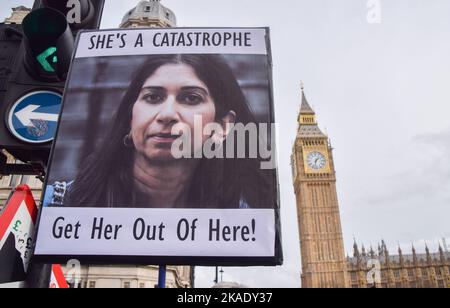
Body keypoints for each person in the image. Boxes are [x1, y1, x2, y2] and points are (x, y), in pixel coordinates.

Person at [46, 54, 276, 209]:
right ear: (130, 118)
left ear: (223, 126)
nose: (167, 114)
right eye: (153, 97)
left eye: (191, 98)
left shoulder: (243, 214)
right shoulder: (57, 204)